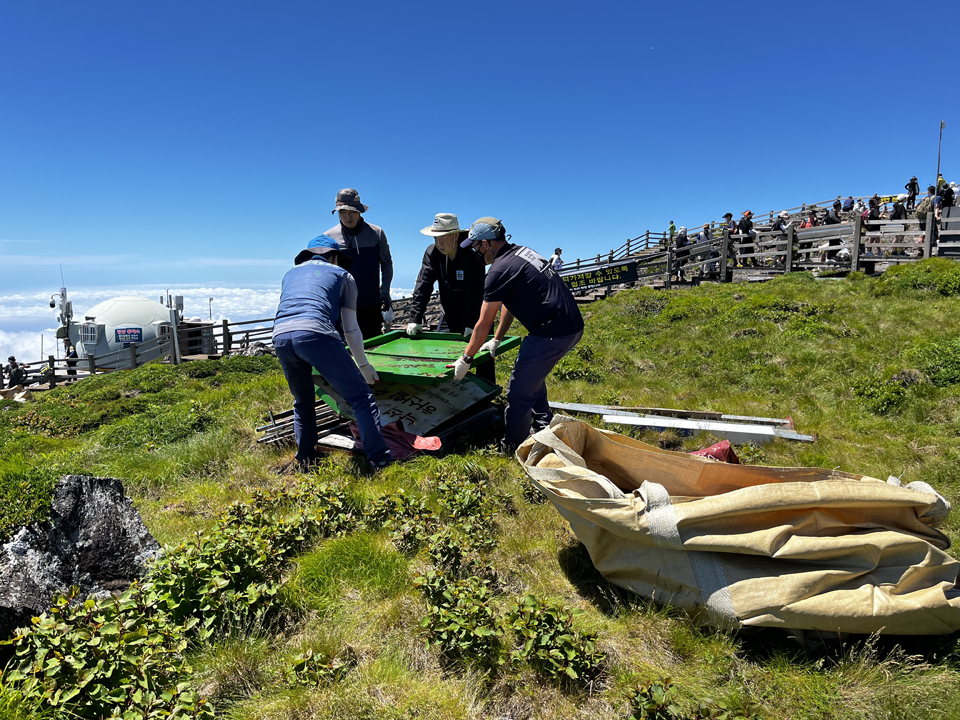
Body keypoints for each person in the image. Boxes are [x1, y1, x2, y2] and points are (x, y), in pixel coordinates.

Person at [449, 218, 584, 453]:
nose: (475, 253)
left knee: (519, 391)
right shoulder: (522, 253)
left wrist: (466, 359)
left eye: (475, 247)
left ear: (486, 244)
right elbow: (509, 303)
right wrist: (498, 338)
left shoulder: (498, 270)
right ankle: (543, 422)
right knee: (531, 372)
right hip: (570, 326)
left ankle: (513, 447)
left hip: (552, 332)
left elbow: (482, 323)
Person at [272, 235, 392, 471]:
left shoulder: (289, 274)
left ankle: (305, 459)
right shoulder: (343, 275)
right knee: (361, 399)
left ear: (307, 257)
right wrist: (364, 365)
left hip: (281, 336)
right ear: (335, 257)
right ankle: (379, 459)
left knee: (303, 402)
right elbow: (350, 328)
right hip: (317, 333)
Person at [323, 188, 393, 339]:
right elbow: (324, 273)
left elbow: (386, 263)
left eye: (352, 211)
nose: (348, 216)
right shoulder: (329, 237)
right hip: (342, 306)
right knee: (346, 352)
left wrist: (385, 291)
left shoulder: (376, 233)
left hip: (371, 303)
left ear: (360, 211)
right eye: (343, 212)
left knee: (373, 346)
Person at [408, 213, 485, 337]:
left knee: (476, 355)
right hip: (448, 314)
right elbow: (423, 285)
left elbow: (475, 292)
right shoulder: (432, 253)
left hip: (476, 315)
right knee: (441, 353)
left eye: (442, 238)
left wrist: (470, 323)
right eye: (435, 239)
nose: (438, 244)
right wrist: (415, 318)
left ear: (456, 235)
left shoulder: (473, 254)